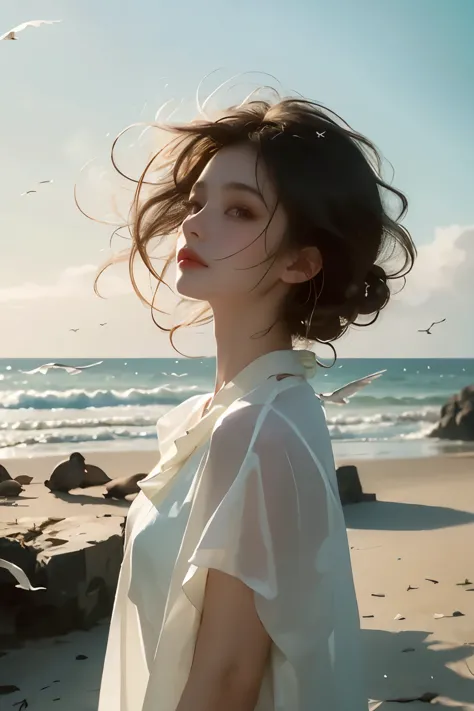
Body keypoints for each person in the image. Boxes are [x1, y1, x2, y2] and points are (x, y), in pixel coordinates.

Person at [97, 91, 416, 711]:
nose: (193, 222)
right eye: (198, 202)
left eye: (239, 211)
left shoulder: (257, 431)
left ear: (300, 262)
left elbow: (227, 683)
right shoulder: (228, 416)